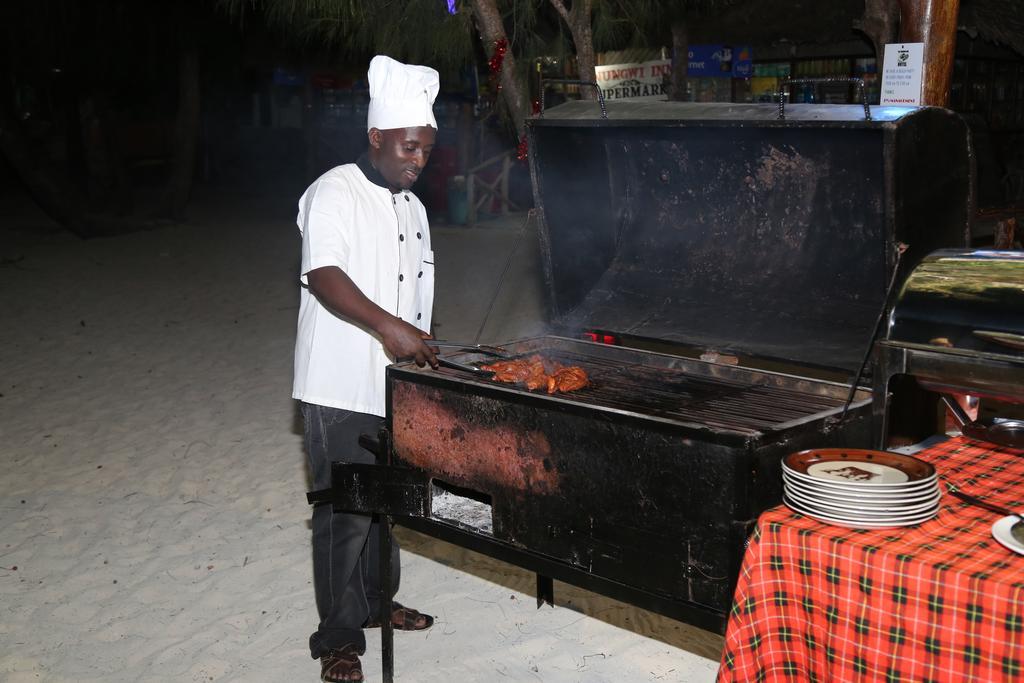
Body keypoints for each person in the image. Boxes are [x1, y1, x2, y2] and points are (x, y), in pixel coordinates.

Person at [293, 55, 441, 683]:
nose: (418, 160)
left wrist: (422, 344)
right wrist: (390, 328)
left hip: (395, 386)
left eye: (427, 150)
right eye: (410, 147)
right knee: (344, 514)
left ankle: (379, 603)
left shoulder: (413, 206)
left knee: (388, 505)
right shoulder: (334, 191)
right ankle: (338, 639)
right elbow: (325, 275)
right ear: (377, 136)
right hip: (340, 381)